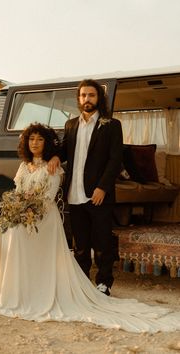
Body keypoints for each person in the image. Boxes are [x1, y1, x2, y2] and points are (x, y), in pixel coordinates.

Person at [0, 122, 180, 333]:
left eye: (40, 139)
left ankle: (40, 291)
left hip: (43, 218)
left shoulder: (54, 167)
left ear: (47, 143)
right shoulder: (23, 166)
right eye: (31, 139)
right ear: (26, 142)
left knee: (19, 232)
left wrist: (27, 212)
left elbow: (46, 199)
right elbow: (18, 192)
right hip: (26, 215)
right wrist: (17, 212)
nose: (34, 143)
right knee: (7, 230)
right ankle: (18, 291)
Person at [49, 79, 123, 296]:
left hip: (98, 195)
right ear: (78, 98)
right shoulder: (71, 125)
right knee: (80, 245)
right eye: (83, 95)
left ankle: (103, 283)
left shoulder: (111, 125)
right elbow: (64, 150)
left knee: (102, 243)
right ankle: (81, 283)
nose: (86, 99)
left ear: (98, 98)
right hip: (75, 194)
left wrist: (103, 188)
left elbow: (115, 160)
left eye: (91, 95)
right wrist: (54, 155)